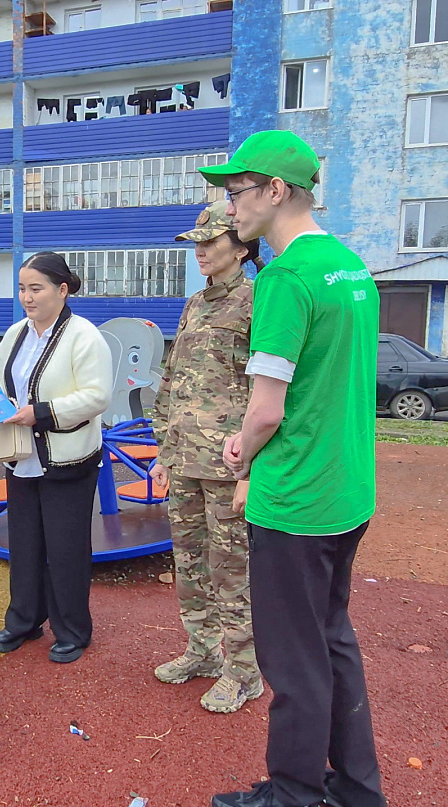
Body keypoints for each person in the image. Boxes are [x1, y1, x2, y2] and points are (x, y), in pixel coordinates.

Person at [203, 131, 386, 807]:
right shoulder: (349, 266)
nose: (230, 208)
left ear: (276, 191)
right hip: (347, 489)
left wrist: (239, 450)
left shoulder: (282, 277)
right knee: (332, 640)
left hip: (296, 497)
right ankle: (357, 791)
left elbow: (266, 411)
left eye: (238, 192)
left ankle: (292, 794)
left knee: (293, 659)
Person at [148, 200, 261, 713]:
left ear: (240, 247)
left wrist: (252, 466)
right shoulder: (195, 304)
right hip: (185, 461)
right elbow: (172, 380)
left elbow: (269, 390)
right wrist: (163, 449)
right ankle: (202, 651)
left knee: (230, 568)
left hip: (227, 465)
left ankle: (244, 671)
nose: (200, 251)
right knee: (190, 564)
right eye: (196, 243)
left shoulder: (258, 302)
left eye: (211, 242)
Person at [0, 252, 112, 664]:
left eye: (35, 288)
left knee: (66, 547)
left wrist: (39, 412)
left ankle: (72, 629)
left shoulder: (84, 336)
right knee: (24, 543)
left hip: (68, 458)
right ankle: (24, 619)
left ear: (62, 290)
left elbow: (96, 397)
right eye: (22, 288)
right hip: (21, 455)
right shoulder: (14, 334)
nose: (26, 296)